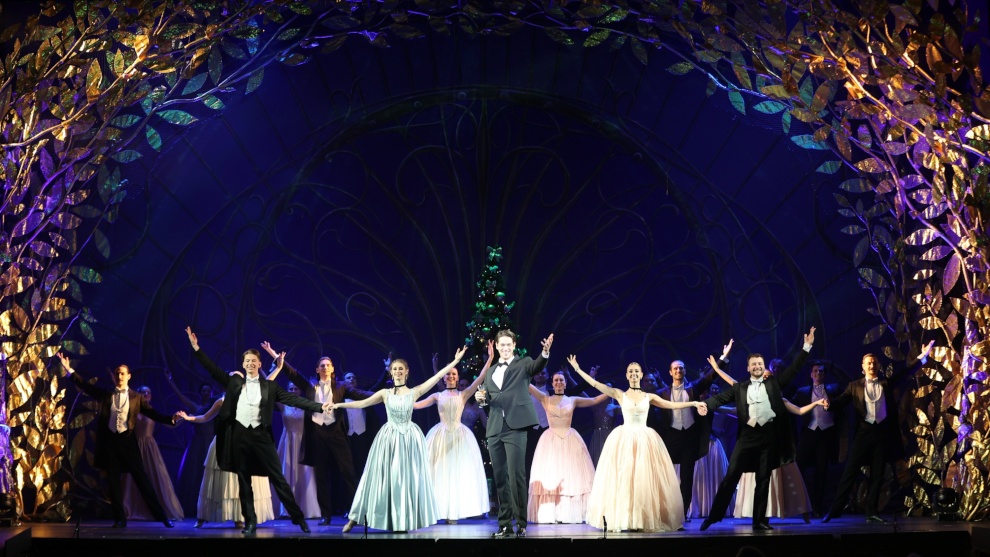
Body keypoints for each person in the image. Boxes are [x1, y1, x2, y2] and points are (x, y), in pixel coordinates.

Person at [185, 327, 329, 535]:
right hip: (239, 438)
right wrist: (196, 348)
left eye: (254, 361)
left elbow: (293, 399)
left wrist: (319, 407)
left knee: (278, 478)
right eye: (247, 361)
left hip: (261, 438)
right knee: (244, 482)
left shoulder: (268, 386)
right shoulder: (234, 386)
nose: (250, 364)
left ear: (259, 364)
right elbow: (212, 369)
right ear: (243, 365)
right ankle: (250, 522)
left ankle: (298, 519)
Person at [333, 346, 469, 533]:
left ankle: (402, 519)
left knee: (405, 480)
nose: (397, 371)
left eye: (400, 369)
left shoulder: (414, 392)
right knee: (375, 478)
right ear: (391, 372)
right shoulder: (385, 393)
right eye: (395, 369)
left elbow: (437, 377)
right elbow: (362, 403)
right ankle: (355, 517)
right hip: (389, 438)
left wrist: (455, 361)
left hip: (408, 439)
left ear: (406, 372)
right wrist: (337, 405)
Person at [568, 356, 708, 532]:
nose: (634, 374)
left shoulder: (649, 396)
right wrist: (578, 369)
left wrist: (694, 402)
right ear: (627, 375)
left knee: (643, 480)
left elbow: (671, 405)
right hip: (624, 439)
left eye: (636, 371)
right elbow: (596, 385)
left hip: (644, 439)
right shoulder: (619, 394)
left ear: (641, 375)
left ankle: (642, 518)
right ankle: (625, 517)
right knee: (624, 479)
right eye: (631, 371)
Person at [699, 327, 816, 532]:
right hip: (747, 437)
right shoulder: (740, 388)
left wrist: (806, 347)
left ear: (764, 366)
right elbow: (720, 398)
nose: (757, 366)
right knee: (731, 476)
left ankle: (759, 520)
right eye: (753, 364)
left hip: (768, 437)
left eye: (760, 364)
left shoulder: (774, 384)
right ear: (748, 368)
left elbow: (794, 369)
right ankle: (713, 516)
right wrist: (705, 405)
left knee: (763, 480)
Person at [57, 352, 179, 528]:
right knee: (113, 483)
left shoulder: (137, 398)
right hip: (110, 444)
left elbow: (153, 413)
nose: (119, 376)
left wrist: (171, 419)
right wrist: (69, 370)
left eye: (122, 373)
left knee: (142, 481)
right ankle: (120, 519)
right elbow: (86, 386)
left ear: (129, 376)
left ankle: (162, 517)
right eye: (117, 373)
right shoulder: (107, 395)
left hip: (128, 443)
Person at [261, 342, 379, 525]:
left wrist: (384, 395)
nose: (325, 367)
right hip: (317, 433)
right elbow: (292, 373)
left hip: (336, 433)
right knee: (321, 475)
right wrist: (273, 354)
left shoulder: (341, 386)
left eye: (328, 365)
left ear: (332, 369)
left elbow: (360, 394)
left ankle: (359, 512)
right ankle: (326, 515)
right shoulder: (310, 385)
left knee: (348, 472)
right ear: (317, 369)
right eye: (322, 365)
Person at [823, 340, 935, 524]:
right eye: (868, 363)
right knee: (849, 472)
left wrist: (922, 357)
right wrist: (829, 405)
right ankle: (834, 511)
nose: (872, 365)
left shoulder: (886, 383)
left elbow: (906, 373)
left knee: (878, 475)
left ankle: (871, 512)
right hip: (862, 434)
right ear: (863, 367)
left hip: (881, 434)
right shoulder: (854, 386)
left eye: (874, 363)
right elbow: (841, 401)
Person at [475, 330, 555, 539]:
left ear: (514, 345)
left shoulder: (523, 363)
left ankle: (520, 523)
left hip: (515, 427)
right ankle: (504, 525)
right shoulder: (491, 371)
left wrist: (545, 353)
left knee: (516, 475)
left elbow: (537, 366)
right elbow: (487, 399)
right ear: (496, 346)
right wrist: (481, 399)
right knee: (500, 477)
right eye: (502, 345)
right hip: (495, 428)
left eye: (508, 344)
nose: (505, 348)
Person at [413, 341, 494, 523]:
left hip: (460, 437)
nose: (450, 376)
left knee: (458, 472)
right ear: (443, 378)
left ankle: (454, 511)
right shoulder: (437, 396)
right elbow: (416, 405)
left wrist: (490, 359)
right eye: (448, 374)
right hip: (440, 436)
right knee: (439, 472)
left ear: (457, 379)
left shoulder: (463, 394)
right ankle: (438, 509)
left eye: (454, 374)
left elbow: (481, 378)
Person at [657, 341, 732, 519]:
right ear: (670, 372)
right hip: (671, 438)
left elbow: (711, 376)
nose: (678, 370)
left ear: (684, 371)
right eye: (675, 368)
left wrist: (724, 357)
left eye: (681, 368)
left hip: (689, 437)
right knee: (665, 475)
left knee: (687, 477)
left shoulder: (694, 388)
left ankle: (682, 513)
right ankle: (665, 510)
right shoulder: (662, 393)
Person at [526, 371, 608, 523]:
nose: (558, 383)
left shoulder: (573, 400)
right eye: (556, 380)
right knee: (552, 475)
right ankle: (551, 512)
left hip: (570, 439)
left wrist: (612, 392)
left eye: (561, 380)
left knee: (571, 476)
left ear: (565, 383)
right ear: (552, 384)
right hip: (550, 440)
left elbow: (594, 400)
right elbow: (527, 384)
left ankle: (569, 512)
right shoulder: (545, 398)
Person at [182, 396, 275, 528]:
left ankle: (239, 517)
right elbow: (205, 417)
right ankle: (203, 516)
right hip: (224, 443)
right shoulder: (222, 401)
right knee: (219, 481)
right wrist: (188, 418)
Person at [121, 386, 185, 521]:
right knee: (132, 479)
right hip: (135, 446)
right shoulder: (131, 409)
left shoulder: (151, 411)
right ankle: (130, 508)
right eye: (143, 392)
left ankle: (161, 510)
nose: (146, 394)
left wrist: (181, 418)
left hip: (149, 447)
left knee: (156, 476)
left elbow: (168, 423)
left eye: (148, 392)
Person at [790, 360, 843, 517]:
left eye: (821, 371)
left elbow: (844, 399)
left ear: (825, 374)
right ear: (811, 374)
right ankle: (797, 505)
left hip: (826, 434)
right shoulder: (802, 392)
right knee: (799, 468)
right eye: (815, 371)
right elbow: (790, 406)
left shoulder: (833, 389)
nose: (818, 373)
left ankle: (817, 507)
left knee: (822, 471)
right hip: (809, 432)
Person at [166, 375, 217, 516]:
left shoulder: (216, 407)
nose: (206, 393)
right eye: (204, 391)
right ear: (200, 393)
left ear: (212, 393)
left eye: (208, 391)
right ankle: (192, 507)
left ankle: (211, 508)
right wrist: (170, 381)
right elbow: (180, 396)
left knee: (209, 473)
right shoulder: (196, 407)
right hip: (197, 444)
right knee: (194, 474)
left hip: (210, 442)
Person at [272, 380, 321, 519]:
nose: (293, 391)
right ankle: (285, 509)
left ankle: (306, 508)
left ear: (300, 391)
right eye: (291, 389)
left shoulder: (305, 405)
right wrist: (270, 371)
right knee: (285, 473)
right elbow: (271, 387)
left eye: (296, 389)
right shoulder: (283, 404)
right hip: (287, 442)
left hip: (302, 442)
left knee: (304, 473)